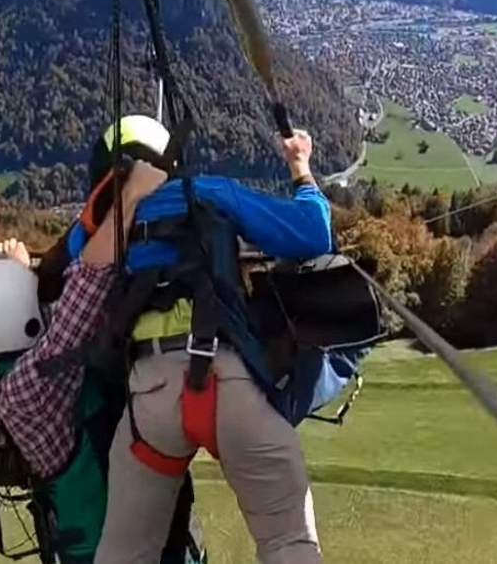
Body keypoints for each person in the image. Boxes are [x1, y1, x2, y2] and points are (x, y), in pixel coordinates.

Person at [89, 125, 341, 564]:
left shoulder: (103, 224)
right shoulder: (208, 192)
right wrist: (300, 168)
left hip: (151, 397)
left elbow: (68, 279)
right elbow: (313, 234)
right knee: (288, 543)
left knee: (124, 555)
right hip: (229, 382)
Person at [0, 158, 203, 564]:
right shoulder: (35, 384)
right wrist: (132, 193)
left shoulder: (14, 376)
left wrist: (20, 278)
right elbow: (87, 285)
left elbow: (50, 325)